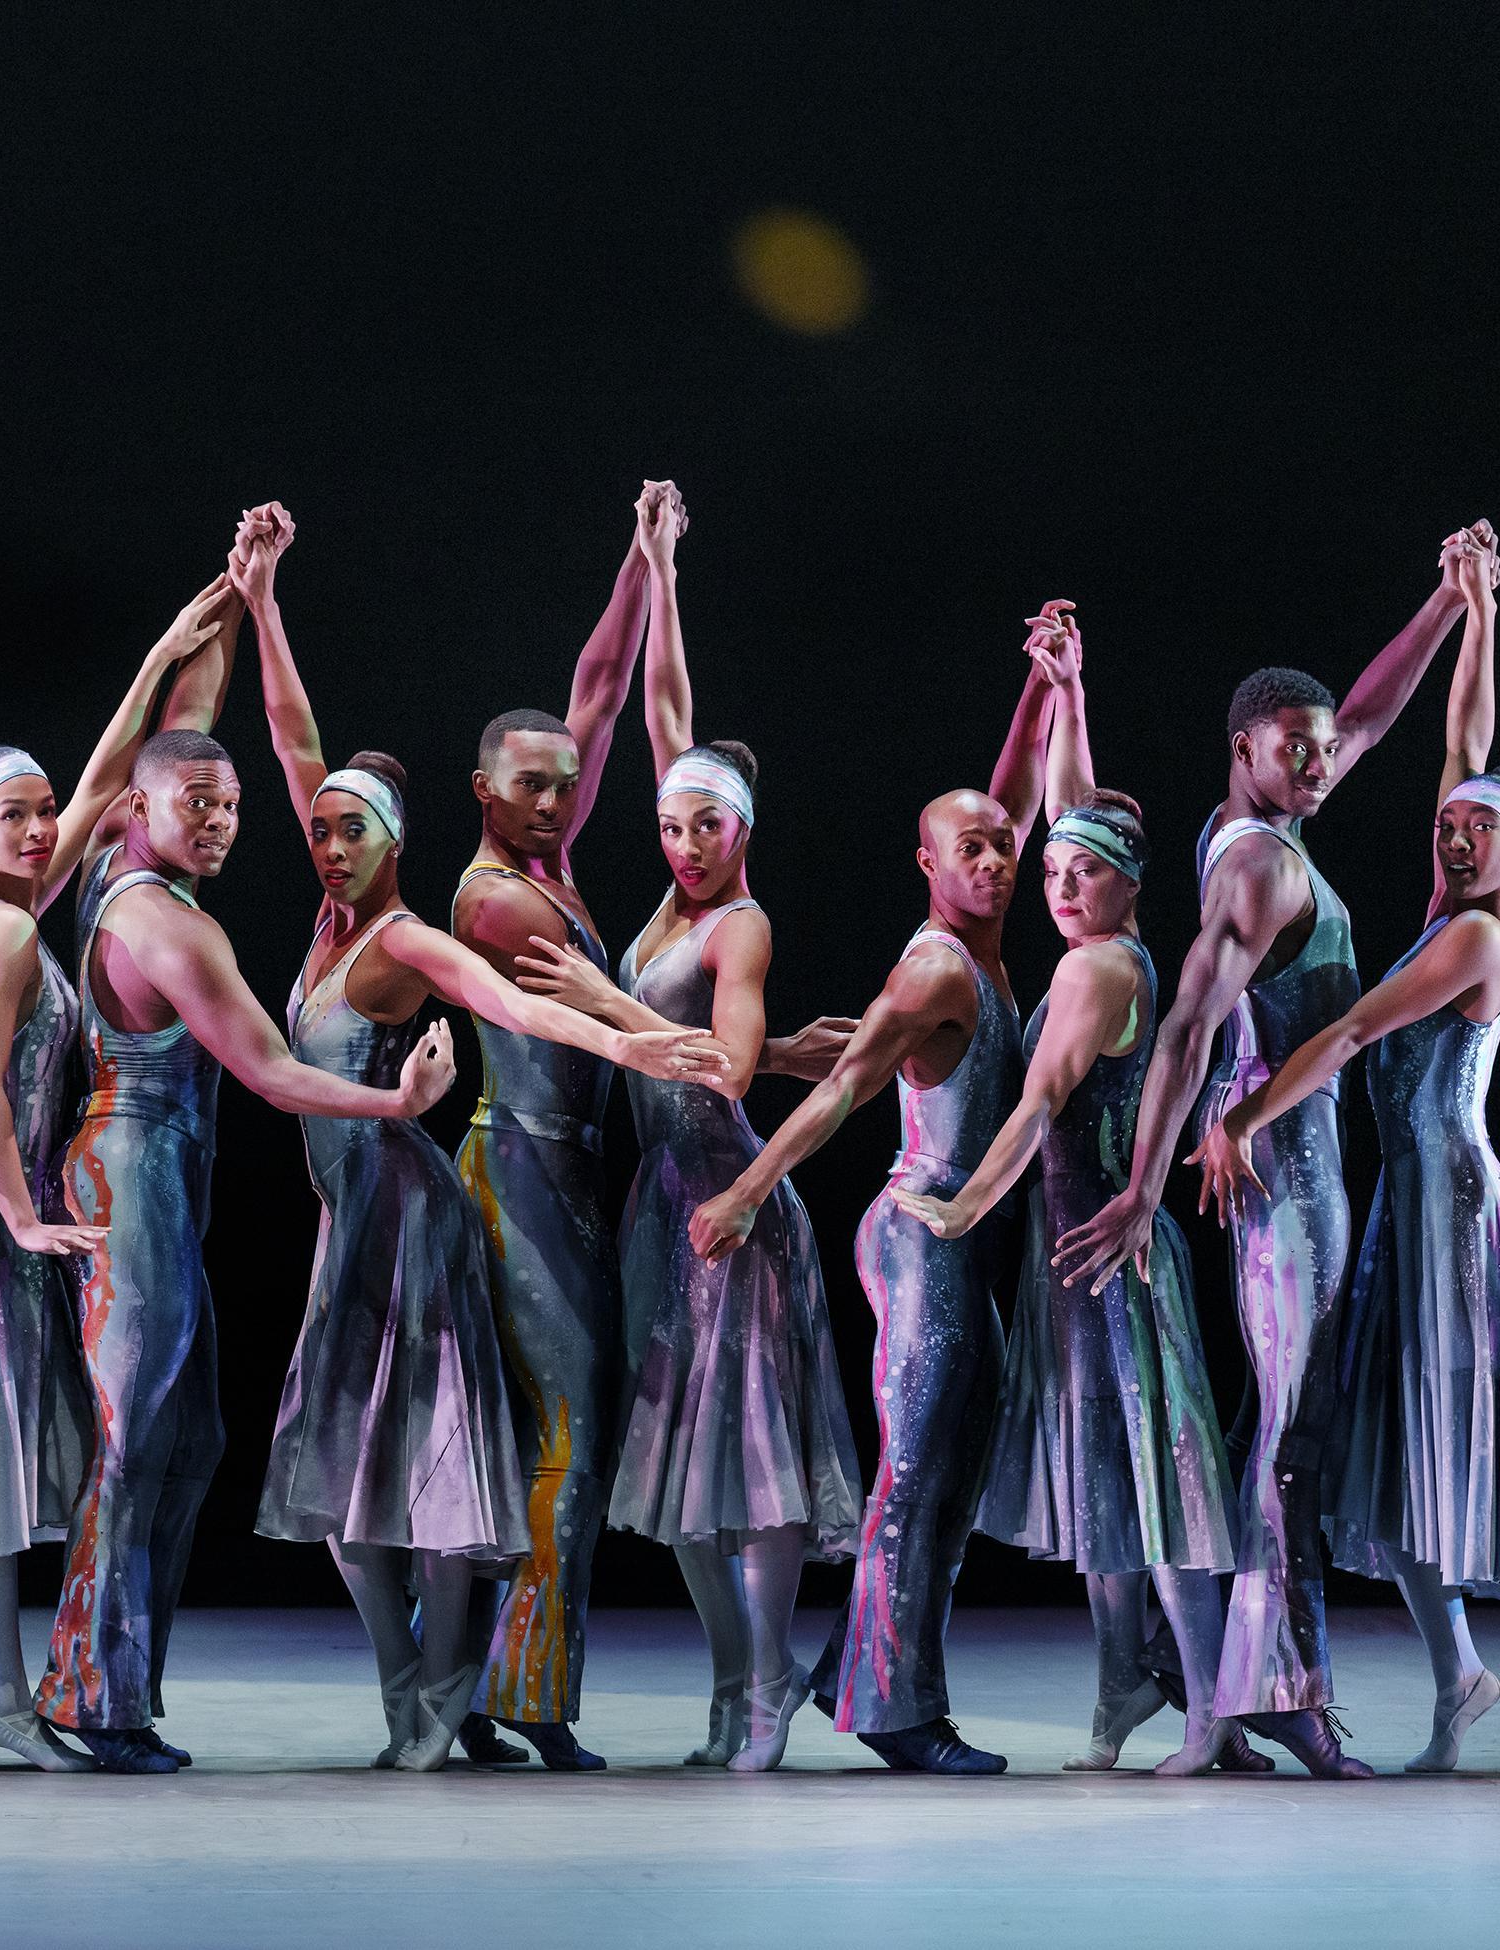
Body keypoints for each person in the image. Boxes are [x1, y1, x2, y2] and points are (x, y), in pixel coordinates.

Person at [231, 504, 726, 1770]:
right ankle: (520, 1690)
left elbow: (603, 693)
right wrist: (629, 1041)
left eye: (565, 785)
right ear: (480, 795)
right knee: (563, 1431)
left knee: (521, 1437)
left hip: (551, 1174)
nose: (558, 801)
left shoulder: (537, 862)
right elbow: (522, 1002)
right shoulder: (487, 897)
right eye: (531, 785)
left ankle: (479, 1684)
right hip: (510, 1168)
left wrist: (644, 561)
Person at [1052, 523, 1500, 1778]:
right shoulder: (1254, 866)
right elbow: (1191, 1021)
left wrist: (1447, 603)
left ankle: (1242, 1689)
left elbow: (1364, 714)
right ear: (1240, 749)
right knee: (1288, 1448)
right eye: (1288, 749)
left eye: (1317, 751)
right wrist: (1149, 1179)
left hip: (1300, 1172)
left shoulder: (1270, 822)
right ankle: (1278, 1701)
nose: (1315, 762)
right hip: (1283, 1187)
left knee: (1287, 1440)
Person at [1195, 544, 1500, 1776]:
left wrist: (1245, 1113)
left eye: (1482, 828)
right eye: (1449, 824)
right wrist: (1475, 609)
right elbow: (1458, 740)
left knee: (1490, 1433)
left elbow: (1356, 1028)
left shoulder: (1479, 940)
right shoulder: (1446, 909)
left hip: (1466, 1217)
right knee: (1397, 1447)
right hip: (1403, 1216)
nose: (1457, 832)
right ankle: (1457, 1680)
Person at [451, 483, 853, 1770]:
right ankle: (703, 1680)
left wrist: (630, 1010)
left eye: (706, 825)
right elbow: (652, 707)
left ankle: (744, 1695)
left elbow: (719, 1068)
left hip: (709, 1198)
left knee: (731, 1457)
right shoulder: (583, 899)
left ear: (744, 830)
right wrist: (658, 567)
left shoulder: (722, 916)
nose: (679, 839)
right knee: (641, 1459)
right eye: (669, 824)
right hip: (607, 1193)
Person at [31, 695, 467, 1774]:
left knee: (184, 1445)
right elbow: (272, 1072)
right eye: (200, 803)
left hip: (156, 1176)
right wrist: (397, 1109)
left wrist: (229, 605)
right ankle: (84, 1698)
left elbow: (172, 722)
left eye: (231, 805)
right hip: (132, 1174)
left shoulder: (117, 880)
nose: (224, 821)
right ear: (139, 804)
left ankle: (117, 1689)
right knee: (135, 1446)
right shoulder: (165, 922)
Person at [674, 604, 1073, 1774]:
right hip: (922, 1237)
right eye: (974, 852)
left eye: (1007, 848)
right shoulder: (938, 969)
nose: (998, 861)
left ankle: (856, 1668)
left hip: (971, 1238)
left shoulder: (987, 936)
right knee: (916, 1481)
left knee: (950, 1485)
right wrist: (746, 1189)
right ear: (927, 867)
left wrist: (1045, 689)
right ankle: (897, 1713)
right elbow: (842, 1088)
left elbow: (1005, 802)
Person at [882, 615, 1245, 1775]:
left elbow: (1036, 1107)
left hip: (1111, 1255)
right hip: (1073, 1260)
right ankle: (1121, 1687)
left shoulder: (1099, 966)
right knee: (1102, 1478)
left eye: (1082, 871)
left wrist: (964, 1205)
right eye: (1050, 871)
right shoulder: (1101, 942)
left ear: (1129, 883)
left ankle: (1208, 1711)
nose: (1057, 883)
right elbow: (1080, 804)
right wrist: (1065, 692)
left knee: (1160, 1473)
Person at [0, 573, 238, 1772]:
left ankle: (36, 1696)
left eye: (47, 813)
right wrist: (23, 1218)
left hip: (36, 1197)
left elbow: (120, 777)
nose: (45, 828)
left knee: (93, 1443)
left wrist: (175, 644)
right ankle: (14, 1701)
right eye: (18, 817)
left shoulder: (33, 893)